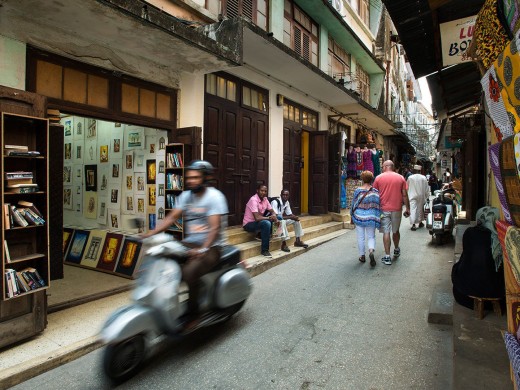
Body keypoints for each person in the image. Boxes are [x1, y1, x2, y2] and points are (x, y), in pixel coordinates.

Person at [142, 160, 228, 329]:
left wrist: (204, 248)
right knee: (163, 263)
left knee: (189, 272)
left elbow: (215, 228)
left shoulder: (214, 197)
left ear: (205, 178)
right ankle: (166, 308)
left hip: (212, 247)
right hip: (189, 244)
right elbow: (171, 218)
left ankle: (193, 313)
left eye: (196, 177)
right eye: (189, 178)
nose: (191, 181)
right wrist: (150, 234)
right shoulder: (185, 196)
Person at [373, 160, 410, 265]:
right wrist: (408, 208)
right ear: (392, 167)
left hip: (383, 209)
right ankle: (397, 249)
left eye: (382, 166)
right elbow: (404, 194)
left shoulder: (378, 178)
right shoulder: (400, 178)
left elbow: (375, 195)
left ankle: (387, 256)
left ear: (385, 167)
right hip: (397, 208)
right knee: (395, 231)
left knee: (386, 231)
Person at [350, 171, 380, 267]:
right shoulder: (375, 191)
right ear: (372, 179)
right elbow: (377, 205)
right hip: (371, 217)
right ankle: (371, 250)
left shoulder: (358, 191)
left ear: (362, 179)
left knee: (360, 237)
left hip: (359, 217)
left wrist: (351, 214)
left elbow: (353, 204)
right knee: (371, 236)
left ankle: (362, 256)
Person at [243, 184, 280, 258]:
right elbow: (257, 218)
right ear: (257, 191)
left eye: (265, 191)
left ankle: (273, 235)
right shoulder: (253, 200)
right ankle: (265, 250)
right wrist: (270, 217)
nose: (263, 192)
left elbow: (272, 211)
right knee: (267, 223)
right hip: (249, 224)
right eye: (261, 190)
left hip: (259, 222)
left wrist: (274, 216)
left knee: (279, 217)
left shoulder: (265, 199)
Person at [407, 164, 430, 231]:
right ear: (420, 171)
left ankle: (413, 224)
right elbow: (426, 188)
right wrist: (427, 196)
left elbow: (407, 187)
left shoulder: (410, 177)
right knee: (420, 209)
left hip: (412, 195)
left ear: (414, 170)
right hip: (421, 195)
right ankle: (420, 222)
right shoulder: (423, 178)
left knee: (413, 209)